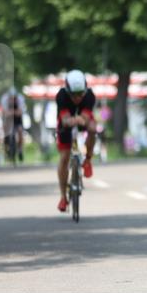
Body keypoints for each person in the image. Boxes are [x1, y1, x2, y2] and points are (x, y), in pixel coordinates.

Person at [56, 69, 97, 212]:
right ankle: (63, 197)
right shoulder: (61, 96)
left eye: (81, 94)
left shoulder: (89, 96)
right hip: (66, 123)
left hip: (81, 120)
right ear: (68, 91)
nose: (78, 98)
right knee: (64, 158)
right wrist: (71, 120)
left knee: (93, 129)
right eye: (74, 94)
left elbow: (85, 119)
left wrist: (80, 120)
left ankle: (88, 160)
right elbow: (65, 120)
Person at [0, 86, 27, 161]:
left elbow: (20, 112)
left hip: (17, 119)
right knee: (5, 132)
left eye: (14, 98)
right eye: (11, 98)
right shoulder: (4, 99)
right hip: (8, 119)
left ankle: (20, 149)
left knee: (20, 131)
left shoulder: (20, 99)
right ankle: (7, 149)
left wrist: (12, 112)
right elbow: (4, 113)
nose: (12, 100)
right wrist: (13, 112)